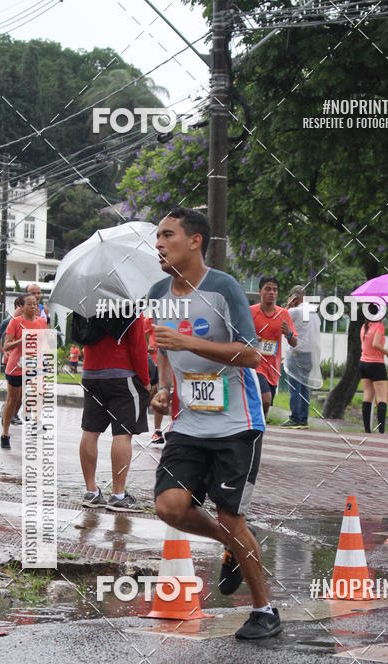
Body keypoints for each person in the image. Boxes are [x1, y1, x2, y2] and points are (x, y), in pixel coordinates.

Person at [150, 207, 279, 641]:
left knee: (231, 516)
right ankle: (230, 544)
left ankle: (265, 610)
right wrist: (164, 385)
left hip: (236, 424)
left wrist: (190, 341)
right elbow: (165, 350)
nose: (160, 243)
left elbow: (251, 354)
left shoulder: (223, 289)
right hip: (188, 423)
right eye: (158, 237)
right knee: (169, 506)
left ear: (195, 241)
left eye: (168, 235)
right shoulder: (157, 292)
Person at [79, 308, 151, 511]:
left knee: (90, 432)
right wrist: (145, 380)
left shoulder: (87, 303)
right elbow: (138, 347)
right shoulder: (129, 305)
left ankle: (91, 492)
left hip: (91, 373)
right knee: (122, 434)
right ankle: (118, 495)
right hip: (121, 374)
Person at [1, 293, 48, 449]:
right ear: (21, 306)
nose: (33, 306)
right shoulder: (15, 322)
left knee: (39, 394)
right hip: (16, 365)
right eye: (29, 304)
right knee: (12, 400)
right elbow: (6, 346)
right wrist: (23, 339)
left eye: (35, 304)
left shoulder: (42, 322)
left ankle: (36, 423)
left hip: (35, 364)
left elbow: (45, 343)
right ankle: (5, 433)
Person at [250, 276, 297, 418]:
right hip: (254, 365)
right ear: (260, 291)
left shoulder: (283, 314)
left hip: (273, 369)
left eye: (275, 290)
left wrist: (288, 334)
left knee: (265, 406)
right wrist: (252, 339)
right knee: (265, 399)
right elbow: (238, 335)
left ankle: (256, 432)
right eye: (268, 289)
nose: (272, 292)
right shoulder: (250, 312)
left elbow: (294, 342)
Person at [281, 285, 322, 428]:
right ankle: (304, 418)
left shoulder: (294, 311)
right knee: (305, 387)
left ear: (294, 298)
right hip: (310, 354)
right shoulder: (314, 313)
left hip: (296, 353)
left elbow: (278, 318)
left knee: (294, 387)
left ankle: (295, 418)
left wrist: (287, 305)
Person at [358, 306, 388, 434]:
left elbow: (365, 345)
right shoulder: (379, 326)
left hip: (363, 363)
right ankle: (381, 430)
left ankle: (367, 430)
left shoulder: (364, 327)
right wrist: (387, 353)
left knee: (367, 396)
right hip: (376, 364)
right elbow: (375, 344)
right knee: (382, 398)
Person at [0, 294, 27, 425]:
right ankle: (7, 413)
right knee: (14, 395)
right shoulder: (9, 320)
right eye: (27, 304)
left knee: (20, 395)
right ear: (19, 306)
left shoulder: (31, 321)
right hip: (12, 363)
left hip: (26, 362)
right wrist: (4, 352)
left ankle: (12, 414)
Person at [143, 316, 164, 444]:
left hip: (172, 362)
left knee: (160, 394)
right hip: (155, 364)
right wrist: (145, 348)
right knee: (154, 393)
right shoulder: (150, 319)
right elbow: (137, 333)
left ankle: (158, 431)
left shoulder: (178, 314)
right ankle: (156, 431)